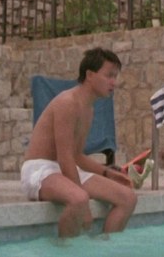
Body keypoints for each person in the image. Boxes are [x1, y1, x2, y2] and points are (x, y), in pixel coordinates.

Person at [21, 47, 138, 238]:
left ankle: (105, 247)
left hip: (63, 168)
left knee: (128, 198)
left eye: (115, 76)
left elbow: (76, 155)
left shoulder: (88, 109)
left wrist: (107, 172)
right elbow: (65, 157)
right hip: (39, 169)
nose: (113, 82)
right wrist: (84, 208)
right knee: (79, 200)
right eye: (109, 76)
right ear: (90, 75)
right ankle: (64, 248)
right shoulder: (67, 102)